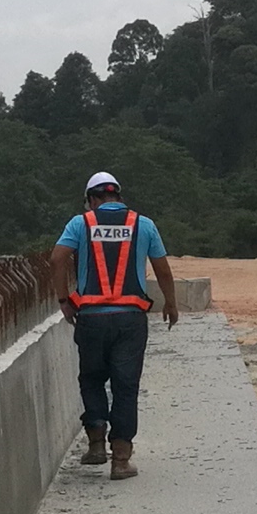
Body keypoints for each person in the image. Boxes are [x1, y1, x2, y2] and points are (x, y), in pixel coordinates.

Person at [49, 170, 179, 480]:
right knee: (125, 385)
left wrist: (64, 300)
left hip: (91, 319)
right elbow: (162, 269)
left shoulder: (80, 223)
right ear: (117, 196)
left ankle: (96, 444)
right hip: (130, 320)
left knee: (92, 377)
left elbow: (56, 259)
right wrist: (171, 303)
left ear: (92, 199)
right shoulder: (143, 224)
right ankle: (120, 460)